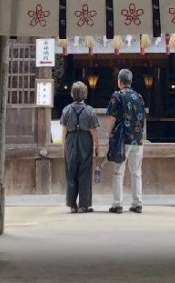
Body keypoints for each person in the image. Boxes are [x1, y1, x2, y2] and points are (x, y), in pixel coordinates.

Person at [106, 67, 146, 213]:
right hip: (137, 139)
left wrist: (108, 134)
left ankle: (117, 204)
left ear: (119, 81)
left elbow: (112, 117)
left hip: (122, 140)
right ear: (131, 81)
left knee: (118, 172)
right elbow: (143, 119)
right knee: (136, 172)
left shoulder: (117, 96)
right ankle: (137, 203)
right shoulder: (139, 96)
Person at [60, 80, 100, 213]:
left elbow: (64, 130)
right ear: (85, 93)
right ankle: (84, 205)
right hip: (85, 140)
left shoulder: (66, 110)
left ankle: (72, 205)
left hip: (71, 140)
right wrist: (96, 146)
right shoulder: (90, 111)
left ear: (72, 93)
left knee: (71, 172)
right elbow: (94, 130)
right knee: (85, 172)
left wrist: (63, 146)